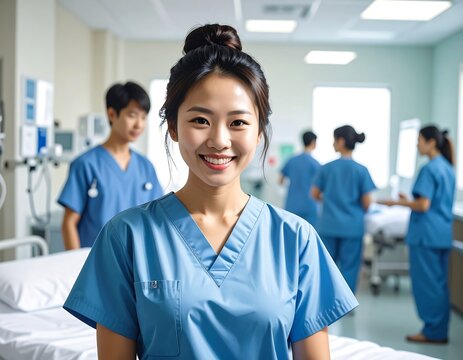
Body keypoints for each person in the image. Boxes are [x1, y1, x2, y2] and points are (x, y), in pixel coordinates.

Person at [64, 24, 358, 359]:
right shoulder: (126, 237)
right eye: (201, 120)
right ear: (173, 127)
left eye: (238, 122)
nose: (219, 140)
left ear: (260, 131)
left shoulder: (296, 239)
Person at [57, 81, 163, 249]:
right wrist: (78, 268)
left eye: (143, 117)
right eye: (132, 115)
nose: (139, 124)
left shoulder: (146, 167)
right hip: (95, 262)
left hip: (135, 262)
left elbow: (156, 220)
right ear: (112, 114)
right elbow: (69, 224)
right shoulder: (85, 164)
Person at [379, 125, 455, 344]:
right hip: (440, 234)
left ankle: (433, 332)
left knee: (428, 285)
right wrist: (406, 199)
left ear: (431, 142)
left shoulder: (430, 168)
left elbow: (423, 205)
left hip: (425, 235)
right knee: (438, 284)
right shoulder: (447, 168)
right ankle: (438, 329)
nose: (417, 144)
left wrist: (396, 202)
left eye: (420, 140)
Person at [312, 125, 376, 293]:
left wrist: (330, 199)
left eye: (334, 140)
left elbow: (315, 194)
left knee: (327, 266)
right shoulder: (361, 170)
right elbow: (368, 202)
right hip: (352, 227)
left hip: (329, 225)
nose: (333, 144)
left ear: (341, 141)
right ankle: (345, 304)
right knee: (350, 266)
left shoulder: (326, 168)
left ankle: (326, 302)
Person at [280, 130, 321, 227]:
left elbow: (280, 181)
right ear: (313, 143)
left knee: (291, 237)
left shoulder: (291, 160)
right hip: (310, 207)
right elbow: (319, 188)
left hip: (292, 205)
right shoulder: (315, 164)